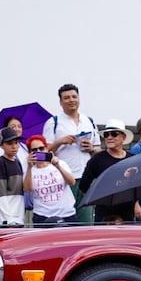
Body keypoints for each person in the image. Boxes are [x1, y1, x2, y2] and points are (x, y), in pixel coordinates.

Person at [43, 83, 101, 225]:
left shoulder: (89, 121)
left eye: (74, 96)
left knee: (86, 220)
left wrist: (91, 148)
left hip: (86, 177)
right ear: (61, 102)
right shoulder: (53, 122)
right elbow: (44, 153)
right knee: (65, 220)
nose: (71, 100)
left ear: (79, 99)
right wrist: (60, 141)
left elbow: (99, 150)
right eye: (67, 98)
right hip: (64, 178)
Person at [79, 119, 141, 223]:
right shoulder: (97, 159)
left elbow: (137, 185)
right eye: (106, 135)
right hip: (104, 213)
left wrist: (137, 203)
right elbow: (83, 186)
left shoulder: (133, 159)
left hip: (127, 212)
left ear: (123, 138)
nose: (109, 137)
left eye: (114, 134)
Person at [23, 134, 77, 227]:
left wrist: (58, 166)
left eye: (41, 148)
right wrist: (29, 167)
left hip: (66, 214)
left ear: (47, 149)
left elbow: (72, 182)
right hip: (42, 215)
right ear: (30, 153)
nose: (39, 151)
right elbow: (27, 189)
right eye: (34, 150)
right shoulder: (30, 170)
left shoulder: (60, 163)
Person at [0, 126, 25, 227]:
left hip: (17, 217)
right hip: (5, 220)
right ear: (1, 145)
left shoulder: (17, 162)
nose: (14, 146)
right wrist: (9, 219)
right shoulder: (0, 164)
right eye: (10, 143)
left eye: (16, 143)